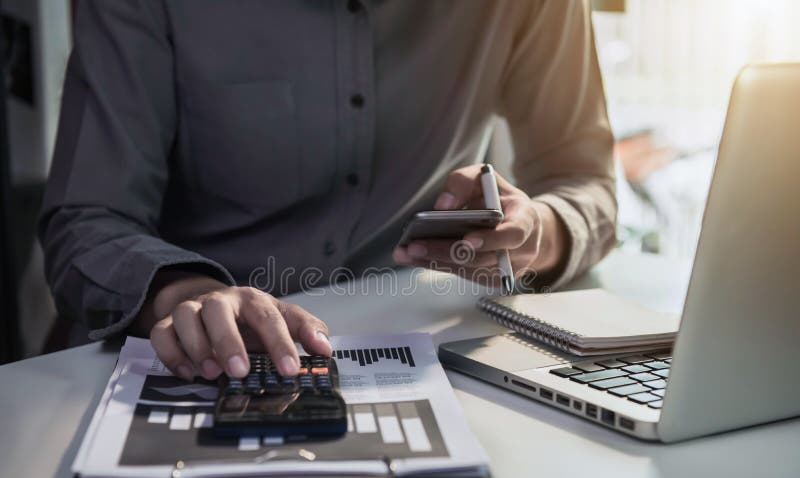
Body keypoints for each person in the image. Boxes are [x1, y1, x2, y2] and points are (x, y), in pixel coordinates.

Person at [40, 0, 616, 381]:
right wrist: (183, 291)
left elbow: (585, 179)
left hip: (420, 363)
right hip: (187, 367)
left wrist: (537, 231)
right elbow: (86, 217)